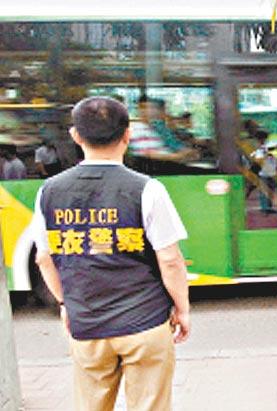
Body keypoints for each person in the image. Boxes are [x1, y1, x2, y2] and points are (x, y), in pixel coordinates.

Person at [32, 96, 191, 411]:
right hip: (145, 323)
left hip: (87, 325)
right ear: (128, 135)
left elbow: (43, 258)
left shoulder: (48, 191)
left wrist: (65, 303)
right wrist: (182, 310)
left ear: (76, 136)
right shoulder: (148, 189)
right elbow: (170, 260)